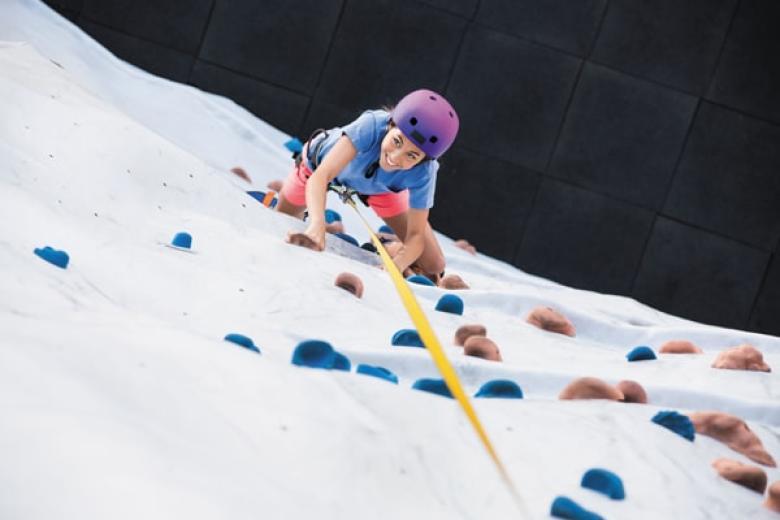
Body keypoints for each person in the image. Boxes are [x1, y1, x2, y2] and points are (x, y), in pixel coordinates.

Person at [275, 89, 459, 277]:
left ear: (424, 161)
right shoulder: (371, 125)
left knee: (434, 265)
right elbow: (321, 176)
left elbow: (416, 236)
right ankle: (319, 221)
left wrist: (397, 263)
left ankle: (387, 245)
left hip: (378, 190)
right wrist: (317, 225)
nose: (395, 158)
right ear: (390, 124)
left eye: (412, 155)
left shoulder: (425, 172)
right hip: (315, 168)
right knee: (280, 218)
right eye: (397, 141)